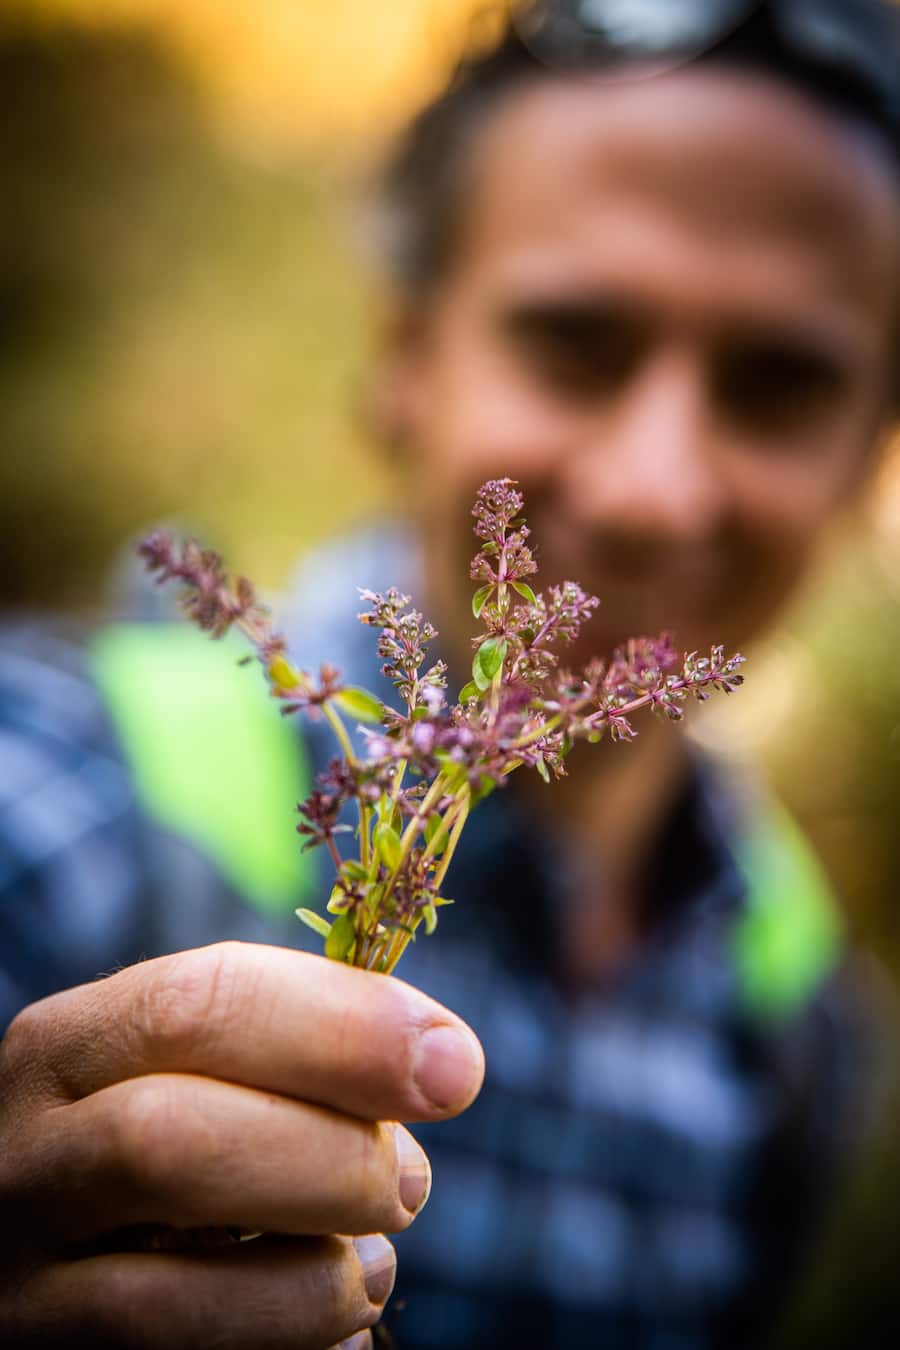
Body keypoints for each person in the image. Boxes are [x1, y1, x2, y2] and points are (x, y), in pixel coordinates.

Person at [1, 1, 899, 1346]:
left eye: (778, 385)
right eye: (575, 341)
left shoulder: (801, 1032)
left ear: (866, 457)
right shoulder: (52, 792)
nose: (652, 491)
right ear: (405, 358)